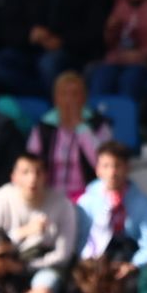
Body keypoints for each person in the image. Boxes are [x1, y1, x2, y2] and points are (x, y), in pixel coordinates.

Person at [0, 152, 79, 291]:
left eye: (38, 172)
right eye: (25, 172)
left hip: (43, 265)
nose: (33, 178)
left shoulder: (62, 204)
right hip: (3, 264)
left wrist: (26, 267)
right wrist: (22, 233)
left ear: (46, 176)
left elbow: (63, 254)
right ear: (14, 177)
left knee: (45, 283)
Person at [25, 70, 113, 201]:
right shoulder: (44, 127)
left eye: (75, 94)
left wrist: (81, 128)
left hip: (89, 195)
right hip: (49, 194)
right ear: (55, 99)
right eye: (64, 94)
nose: (69, 100)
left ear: (84, 98)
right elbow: (31, 164)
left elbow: (103, 164)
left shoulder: (98, 125)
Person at [78, 140, 147, 265]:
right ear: (97, 169)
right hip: (93, 263)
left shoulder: (143, 204)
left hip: (129, 261)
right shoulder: (86, 202)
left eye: (117, 165)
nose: (112, 173)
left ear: (127, 168)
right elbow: (80, 239)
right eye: (106, 166)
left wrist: (133, 265)